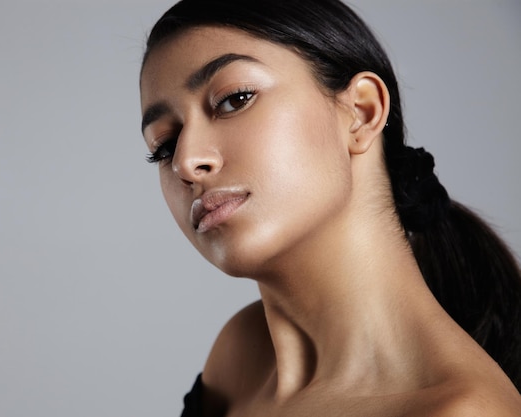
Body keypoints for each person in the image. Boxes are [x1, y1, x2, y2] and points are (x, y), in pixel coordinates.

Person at [139, 0, 521, 415]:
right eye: (164, 145)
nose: (186, 161)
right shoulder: (240, 355)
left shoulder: (458, 411)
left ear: (360, 112)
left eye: (235, 100)